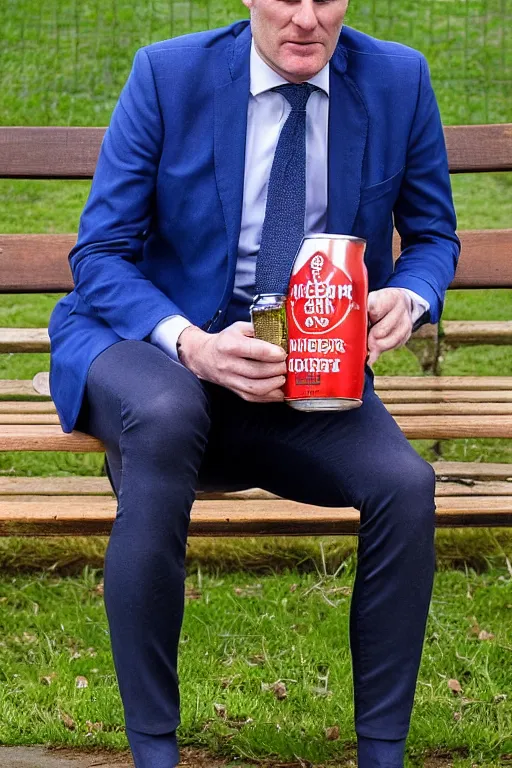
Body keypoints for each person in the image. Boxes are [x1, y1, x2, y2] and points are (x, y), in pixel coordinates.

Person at [48, 0, 460, 765]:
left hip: (299, 367)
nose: (305, 18)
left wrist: (413, 294)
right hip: (151, 340)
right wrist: (195, 347)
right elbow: (99, 254)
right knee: (169, 414)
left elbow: (434, 235)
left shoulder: (398, 78)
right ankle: (154, 750)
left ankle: (383, 754)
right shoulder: (169, 74)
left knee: (406, 486)